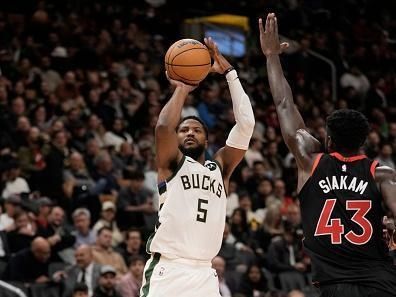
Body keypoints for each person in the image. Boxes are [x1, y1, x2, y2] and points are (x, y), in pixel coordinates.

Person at [259, 13, 396, 297]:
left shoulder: (310, 160)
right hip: (381, 281)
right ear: (363, 142)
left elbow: (284, 104)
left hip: (335, 285)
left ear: (328, 139)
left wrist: (271, 55)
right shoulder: (382, 174)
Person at [141, 37, 255, 297]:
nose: (189, 132)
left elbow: (246, 124)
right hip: (169, 270)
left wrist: (230, 73)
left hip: (205, 273)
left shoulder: (221, 167)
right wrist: (182, 88)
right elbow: (162, 127)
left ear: (207, 138)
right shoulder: (172, 164)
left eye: (196, 129)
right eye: (183, 130)